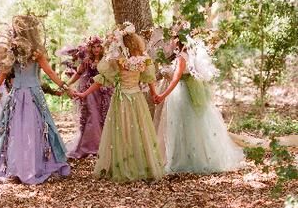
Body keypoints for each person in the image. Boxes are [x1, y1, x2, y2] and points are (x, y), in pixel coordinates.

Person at [0, 15, 72, 184]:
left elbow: (3, 72)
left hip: (16, 95)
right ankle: (31, 166)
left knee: (15, 129)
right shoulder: (36, 53)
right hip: (33, 94)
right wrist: (64, 86)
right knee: (34, 129)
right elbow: (50, 73)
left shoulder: (12, 50)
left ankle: (17, 166)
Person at [76, 23, 164, 183]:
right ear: (136, 43)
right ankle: (141, 165)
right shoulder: (144, 60)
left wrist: (84, 93)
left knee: (122, 132)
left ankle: (121, 165)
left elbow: (103, 79)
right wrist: (155, 95)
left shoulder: (118, 60)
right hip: (136, 99)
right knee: (139, 131)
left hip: (121, 99)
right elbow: (150, 79)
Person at [153, 22, 244, 174]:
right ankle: (181, 155)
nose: (171, 41)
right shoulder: (182, 54)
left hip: (181, 93)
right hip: (183, 91)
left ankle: (186, 158)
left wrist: (162, 95)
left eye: (173, 38)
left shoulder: (182, 57)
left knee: (184, 125)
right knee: (183, 126)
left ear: (178, 39)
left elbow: (176, 79)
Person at [63, 36, 113, 159]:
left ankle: (104, 145)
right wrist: (65, 85)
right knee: (93, 117)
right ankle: (90, 147)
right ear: (90, 48)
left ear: (102, 48)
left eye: (99, 47)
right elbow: (78, 74)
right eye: (94, 47)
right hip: (90, 93)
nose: (96, 49)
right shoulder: (87, 61)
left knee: (104, 117)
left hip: (105, 92)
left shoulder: (107, 60)